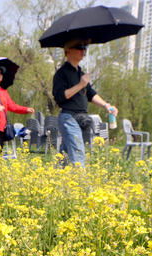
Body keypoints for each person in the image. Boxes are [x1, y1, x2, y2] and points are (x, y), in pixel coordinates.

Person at [53, 39, 118, 168]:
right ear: (69, 51)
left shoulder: (81, 74)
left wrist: (106, 106)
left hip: (80, 118)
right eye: (79, 47)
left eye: (85, 47)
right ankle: (82, 186)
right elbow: (59, 97)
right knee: (78, 153)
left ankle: (57, 182)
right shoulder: (61, 73)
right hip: (68, 117)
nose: (83, 50)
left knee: (64, 157)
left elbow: (91, 94)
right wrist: (80, 85)